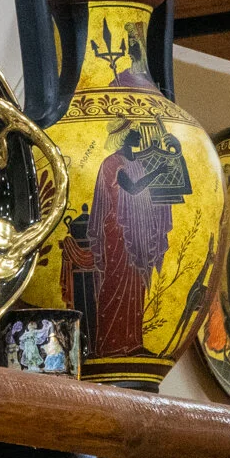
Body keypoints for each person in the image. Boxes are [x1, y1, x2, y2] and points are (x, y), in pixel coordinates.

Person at [87, 122, 175, 357]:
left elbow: (145, 196)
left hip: (138, 231)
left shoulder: (138, 162)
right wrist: (157, 173)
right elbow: (134, 189)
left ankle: (133, 342)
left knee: (136, 286)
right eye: (134, 132)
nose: (138, 135)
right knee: (117, 282)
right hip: (119, 231)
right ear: (124, 136)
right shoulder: (113, 163)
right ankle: (110, 345)